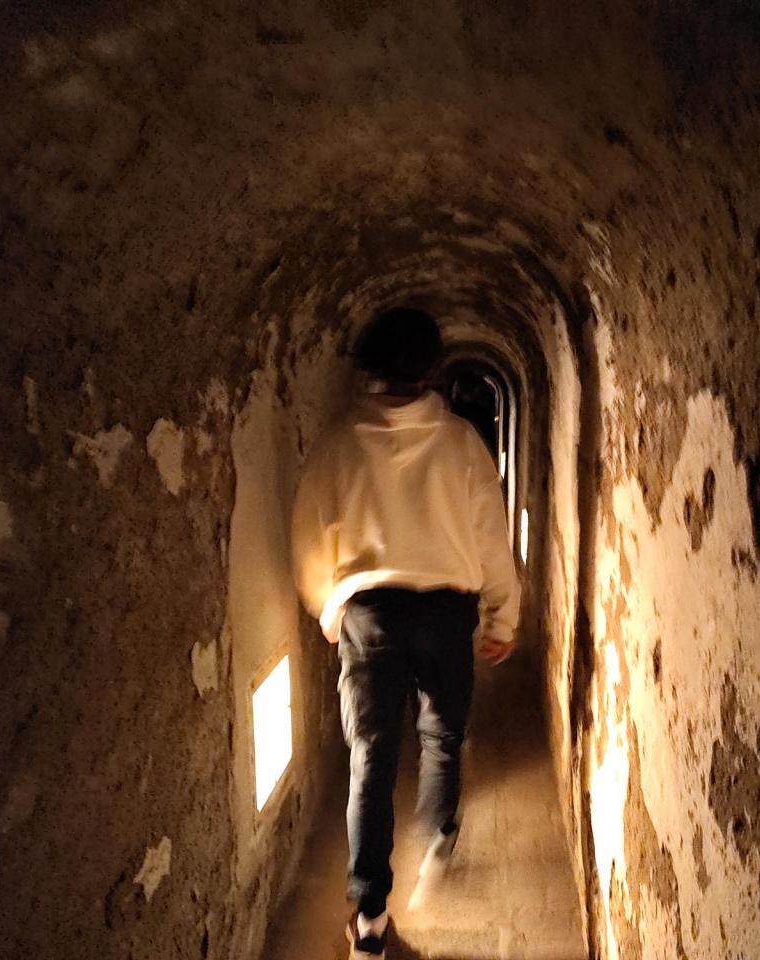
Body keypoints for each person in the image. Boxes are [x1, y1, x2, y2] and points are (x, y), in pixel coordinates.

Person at [290, 307, 521, 959]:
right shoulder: (461, 443)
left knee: (372, 758)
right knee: (441, 733)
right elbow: (490, 534)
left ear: (369, 365)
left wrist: (329, 606)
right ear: (430, 368)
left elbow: (309, 536)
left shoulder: (339, 443)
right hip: (446, 610)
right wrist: (503, 615)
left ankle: (369, 917)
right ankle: (439, 833)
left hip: (371, 613)